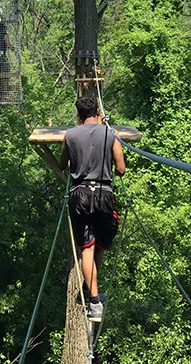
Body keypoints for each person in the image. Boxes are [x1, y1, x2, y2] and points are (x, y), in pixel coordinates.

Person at [59, 95, 126, 322]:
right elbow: (121, 169)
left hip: (80, 196)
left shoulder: (70, 135)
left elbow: (63, 164)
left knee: (87, 248)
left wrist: (78, 161)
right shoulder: (111, 133)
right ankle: (94, 297)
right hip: (104, 195)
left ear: (78, 116)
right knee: (98, 247)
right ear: (98, 111)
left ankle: (92, 297)